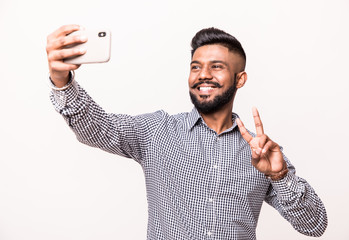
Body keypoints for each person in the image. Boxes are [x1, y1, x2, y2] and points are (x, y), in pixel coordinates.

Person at [46, 25, 327, 240]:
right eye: (196, 66)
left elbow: (314, 226)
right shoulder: (157, 130)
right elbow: (96, 128)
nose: (203, 75)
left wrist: (279, 176)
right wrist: (62, 81)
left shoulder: (261, 153)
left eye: (216, 67)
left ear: (240, 79)